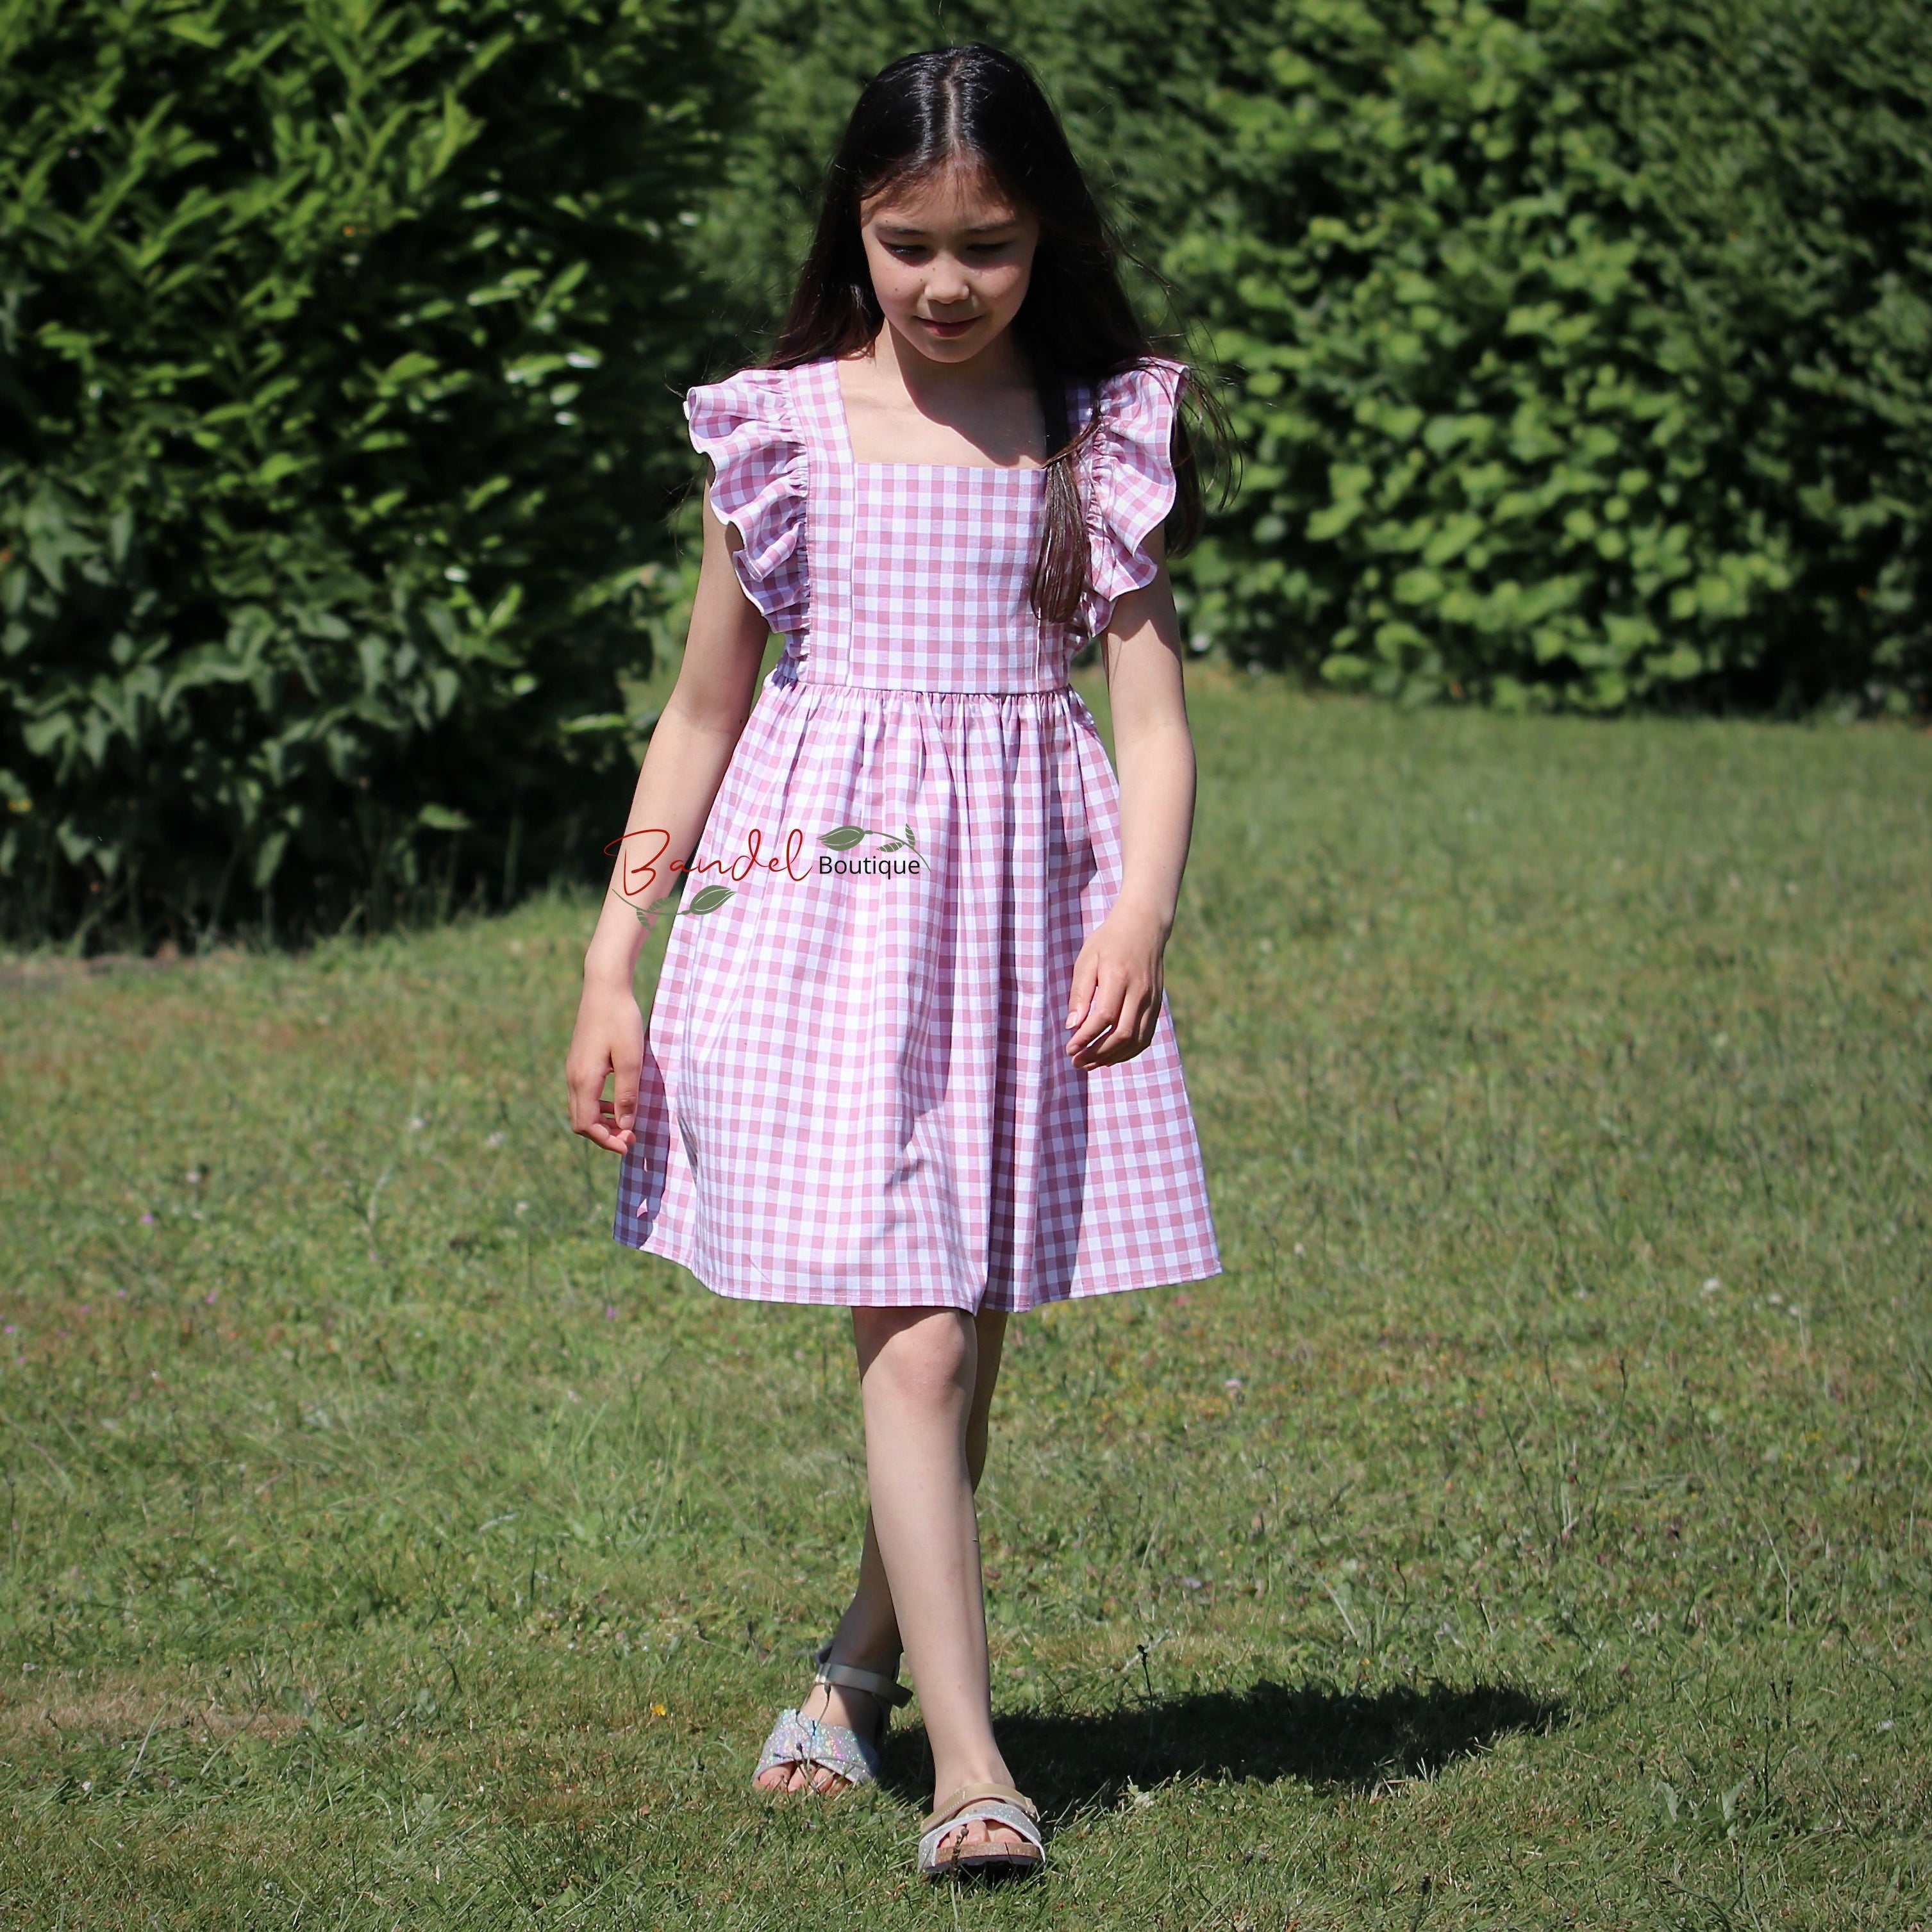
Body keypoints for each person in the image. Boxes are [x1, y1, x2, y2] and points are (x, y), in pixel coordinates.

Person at [565, 42, 1223, 1883]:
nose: (945, 281)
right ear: (853, 228)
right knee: (918, 1344)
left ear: (1045, 237)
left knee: (965, 1334)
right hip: (828, 925)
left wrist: (1138, 910)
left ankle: (854, 1670)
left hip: (1028, 918)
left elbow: (1155, 729)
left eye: (989, 246)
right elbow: (700, 718)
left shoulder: (1095, 430)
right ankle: (974, 1768)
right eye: (907, 240)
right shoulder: (780, 427)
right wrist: (617, 957)